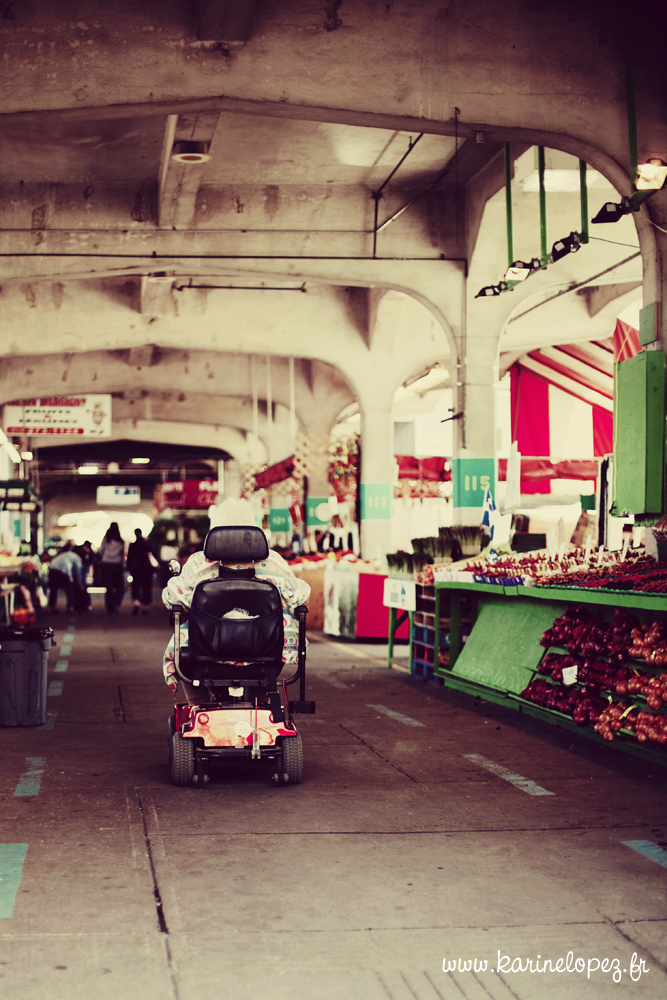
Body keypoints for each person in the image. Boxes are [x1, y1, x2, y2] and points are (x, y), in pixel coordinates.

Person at [162, 498, 311, 704]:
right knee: (263, 679)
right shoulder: (275, 562)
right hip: (264, 653)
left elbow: (173, 598)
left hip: (205, 652)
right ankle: (259, 708)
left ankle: (199, 707)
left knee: (185, 655)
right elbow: (298, 596)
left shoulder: (197, 564)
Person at [127, 528, 157, 616]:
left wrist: (130, 568)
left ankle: (136, 603)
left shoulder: (133, 545)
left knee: (136, 586)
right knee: (146, 587)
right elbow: (155, 553)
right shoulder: (147, 543)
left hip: (136, 569)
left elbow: (129, 558)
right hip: (146, 568)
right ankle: (145, 606)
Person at [97, 522, 125, 615]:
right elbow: (123, 554)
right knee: (120, 587)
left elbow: (100, 551)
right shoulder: (121, 541)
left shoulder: (106, 540)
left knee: (109, 587)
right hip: (117, 565)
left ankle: (109, 608)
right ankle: (116, 604)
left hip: (106, 565)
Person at [48, 541, 83, 614]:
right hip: (63, 570)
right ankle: (70, 607)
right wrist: (79, 583)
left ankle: (52, 607)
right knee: (70, 587)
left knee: (54, 588)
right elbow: (77, 573)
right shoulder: (76, 558)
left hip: (52, 568)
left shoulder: (65, 554)